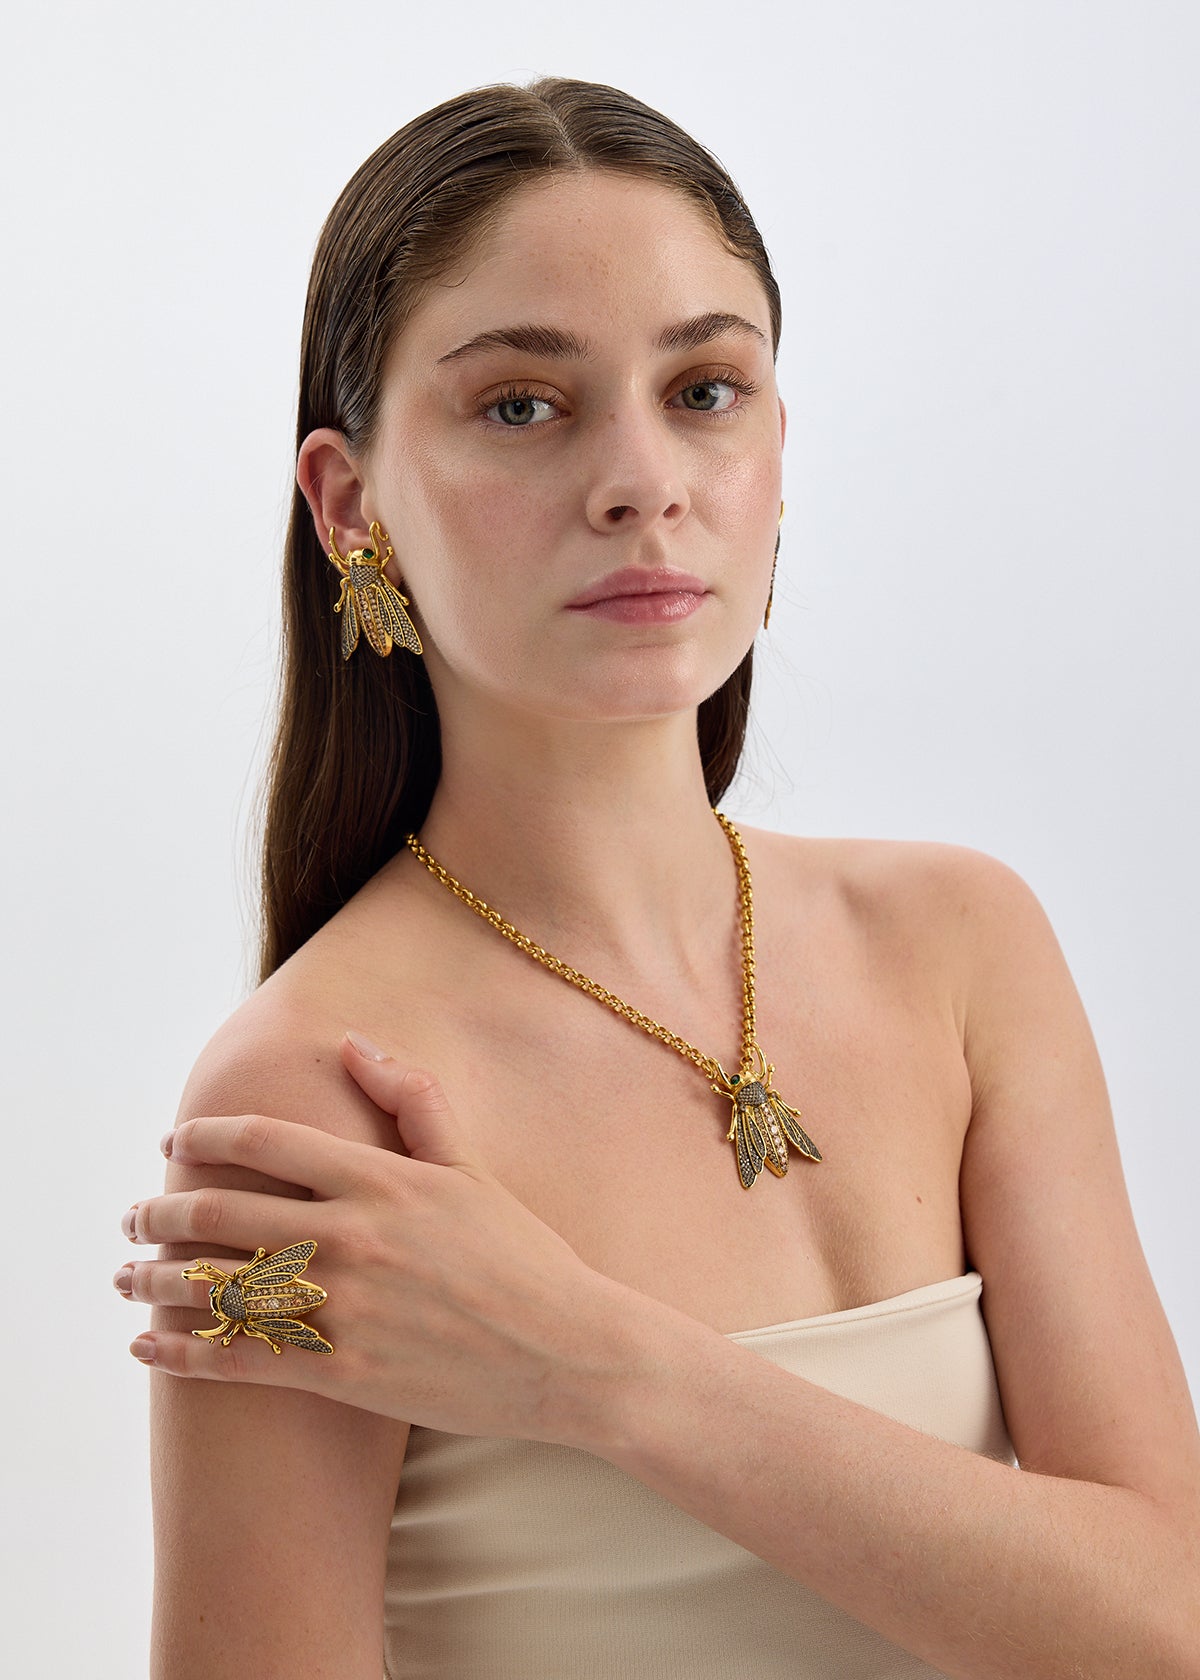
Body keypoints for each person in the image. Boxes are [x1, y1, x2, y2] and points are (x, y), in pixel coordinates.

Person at [114, 76, 1200, 1679]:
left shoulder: (964, 948)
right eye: (521, 406)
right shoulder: (310, 1105)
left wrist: (596, 1368)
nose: (643, 478)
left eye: (704, 389)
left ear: (777, 452)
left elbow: (1172, 1617)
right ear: (352, 509)